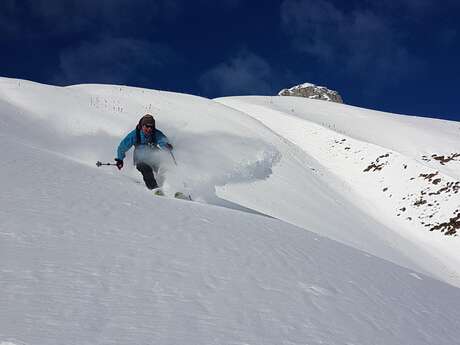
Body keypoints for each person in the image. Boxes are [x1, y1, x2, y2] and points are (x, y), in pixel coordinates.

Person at [115, 114, 173, 190]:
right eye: (147, 126)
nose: (149, 129)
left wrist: (166, 146)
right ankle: (154, 189)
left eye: (151, 127)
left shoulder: (156, 133)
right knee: (145, 168)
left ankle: (172, 187)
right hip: (140, 159)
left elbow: (162, 141)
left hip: (154, 157)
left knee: (165, 166)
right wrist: (120, 159)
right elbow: (122, 147)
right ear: (142, 125)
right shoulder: (135, 134)